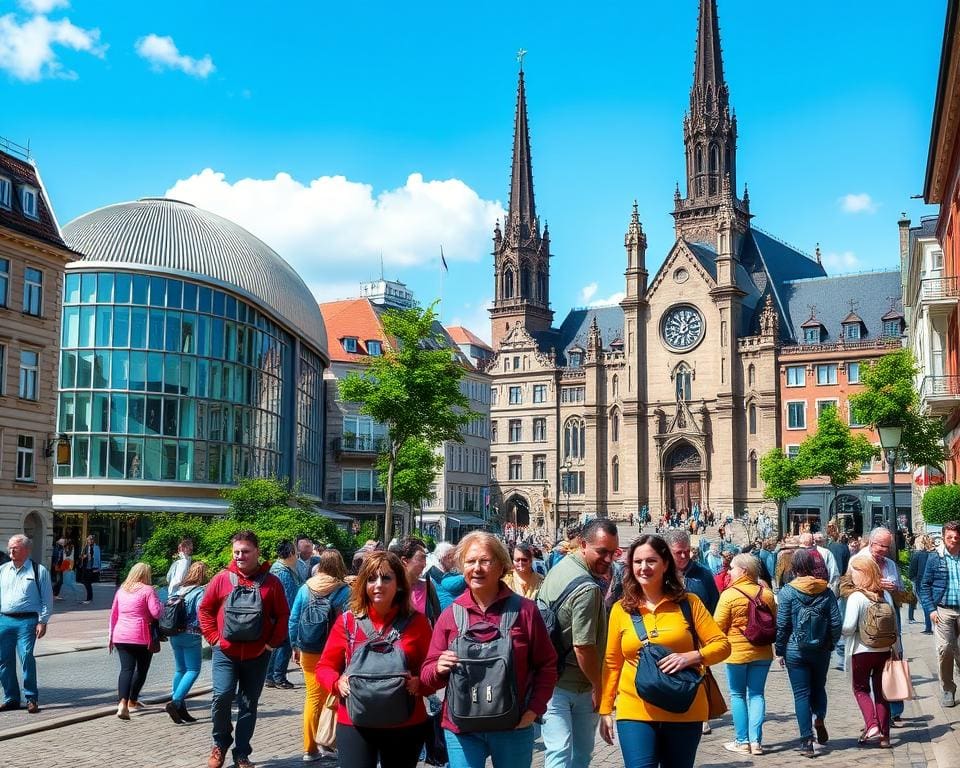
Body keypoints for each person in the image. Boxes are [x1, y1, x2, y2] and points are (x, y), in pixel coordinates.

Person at [421, 532, 558, 768]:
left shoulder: (525, 611)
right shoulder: (450, 615)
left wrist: (534, 710)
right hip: (462, 729)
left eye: (485, 561)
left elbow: (547, 665)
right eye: (470, 561)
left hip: (513, 726)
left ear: (501, 566)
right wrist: (438, 668)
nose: (477, 568)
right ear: (461, 567)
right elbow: (427, 677)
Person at [598, 534, 730, 768]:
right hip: (635, 708)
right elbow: (612, 662)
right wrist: (605, 709)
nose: (643, 568)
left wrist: (692, 656)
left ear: (665, 563)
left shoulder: (689, 603)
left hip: (684, 708)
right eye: (637, 562)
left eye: (651, 561)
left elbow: (722, 645)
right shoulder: (621, 609)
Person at [315, 551, 433, 768]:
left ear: (399, 584)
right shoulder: (348, 622)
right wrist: (336, 682)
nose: (378, 584)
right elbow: (324, 666)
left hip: (405, 722)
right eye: (371, 578)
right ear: (363, 584)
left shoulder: (417, 623)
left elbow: (430, 668)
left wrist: (421, 683)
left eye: (386, 578)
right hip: (355, 722)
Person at [198, 530, 290, 768]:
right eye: (236, 552)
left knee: (249, 705)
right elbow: (205, 609)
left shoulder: (271, 583)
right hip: (224, 653)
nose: (240, 556)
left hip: (258, 655)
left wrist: (271, 645)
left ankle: (242, 753)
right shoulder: (221, 579)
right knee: (221, 697)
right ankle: (220, 742)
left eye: (245, 552)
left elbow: (282, 616)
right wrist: (213, 638)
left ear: (257, 552)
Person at [538, 518, 618, 768]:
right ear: (583, 544)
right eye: (602, 552)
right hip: (577, 683)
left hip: (550, 676)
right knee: (578, 754)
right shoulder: (588, 589)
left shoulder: (560, 568)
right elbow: (583, 647)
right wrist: (598, 685)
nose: (608, 559)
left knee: (557, 751)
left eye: (612, 552)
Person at [775, 548, 842, 758]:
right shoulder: (826, 590)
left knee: (801, 694)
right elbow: (836, 622)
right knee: (819, 687)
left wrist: (779, 650)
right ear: (813, 568)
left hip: (796, 649)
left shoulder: (787, 591)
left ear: (793, 568)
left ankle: (806, 741)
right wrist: (831, 643)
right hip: (821, 649)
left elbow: (783, 624)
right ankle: (819, 717)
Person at [289, 549, 351, 762]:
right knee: (331, 696)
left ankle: (311, 747)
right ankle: (325, 743)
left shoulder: (306, 587)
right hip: (332, 651)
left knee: (313, 697)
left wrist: (294, 646)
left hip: (308, 648)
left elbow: (294, 618)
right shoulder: (343, 590)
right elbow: (349, 621)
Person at [713, 553, 776, 755]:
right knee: (757, 695)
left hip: (736, 653)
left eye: (732, 567)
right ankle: (756, 742)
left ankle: (742, 741)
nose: (729, 571)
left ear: (744, 571)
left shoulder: (729, 595)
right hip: (763, 652)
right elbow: (774, 619)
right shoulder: (766, 593)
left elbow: (717, 627)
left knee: (738, 694)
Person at [842, 555, 897, 748]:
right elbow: (894, 625)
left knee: (860, 689)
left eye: (855, 572)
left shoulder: (857, 597)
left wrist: (842, 633)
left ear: (862, 574)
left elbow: (848, 627)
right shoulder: (885, 595)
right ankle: (885, 738)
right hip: (884, 650)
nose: (852, 576)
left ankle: (872, 725)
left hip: (861, 650)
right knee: (882, 694)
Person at [0, 534, 53, 713]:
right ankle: (11, 698)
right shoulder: (3, 570)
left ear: (26, 549)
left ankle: (31, 698)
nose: (11, 551)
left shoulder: (38, 571)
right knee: (3, 661)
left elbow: (47, 599)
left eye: (15, 547)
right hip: (4, 620)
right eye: (10, 547)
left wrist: (43, 621)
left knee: (26, 658)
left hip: (27, 620)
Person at [108, 562, 163, 720]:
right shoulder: (148, 590)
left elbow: (114, 614)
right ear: (146, 575)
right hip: (141, 636)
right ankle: (133, 699)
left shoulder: (122, 590)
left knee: (126, 670)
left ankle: (122, 704)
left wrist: (111, 637)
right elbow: (156, 613)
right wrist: (162, 604)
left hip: (121, 635)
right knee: (141, 669)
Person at [919, 520, 960, 708]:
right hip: (943, 610)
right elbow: (924, 585)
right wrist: (930, 609)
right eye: (949, 537)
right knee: (945, 649)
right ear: (943, 537)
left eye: (956, 537)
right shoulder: (935, 557)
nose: (953, 540)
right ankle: (948, 689)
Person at [165, 561, 209, 724]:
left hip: (174, 633)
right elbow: (201, 612)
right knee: (193, 670)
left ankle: (180, 707)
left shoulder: (178, 591)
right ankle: (176, 702)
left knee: (180, 669)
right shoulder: (199, 592)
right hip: (191, 634)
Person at [266, 539, 302, 689]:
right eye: (295, 551)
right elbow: (289, 596)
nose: (297, 554)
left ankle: (270, 676)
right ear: (291, 553)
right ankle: (278, 677)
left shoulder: (277, 568)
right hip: (284, 614)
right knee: (285, 644)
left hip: (276, 614)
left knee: (277, 645)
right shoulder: (283, 571)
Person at [389, 537, 441, 625]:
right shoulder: (391, 588)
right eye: (421, 558)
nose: (424, 564)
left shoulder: (427, 586)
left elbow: (438, 620)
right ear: (405, 561)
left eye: (425, 558)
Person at [909, 535, 935, 633]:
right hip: (932, 581)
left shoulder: (916, 554)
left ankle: (928, 627)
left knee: (925, 604)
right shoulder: (934, 554)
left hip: (920, 582)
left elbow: (912, 571)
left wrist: (913, 579)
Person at [78, 534, 101, 604]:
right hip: (85, 567)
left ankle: (89, 599)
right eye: (89, 539)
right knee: (85, 582)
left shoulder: (96, 548)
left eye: (91, 539)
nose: (90, 541)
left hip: (91, 567)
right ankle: (89, 598)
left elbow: (98, 558)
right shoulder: (85, 547)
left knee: (88, 583)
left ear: (93, 540)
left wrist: (98, 568)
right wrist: (84, 556)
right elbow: (81, 556)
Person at [58, 539, 82, 603]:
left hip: (67, 567)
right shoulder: (70, 548)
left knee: (69, 583)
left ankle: (78, 594)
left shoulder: (68, 549)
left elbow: (67, 558)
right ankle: (71, 595)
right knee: (68, 583)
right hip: (69, 567)